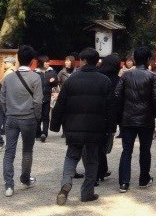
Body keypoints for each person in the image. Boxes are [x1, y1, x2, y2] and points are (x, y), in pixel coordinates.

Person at [50, 47, 114, 205]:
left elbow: (61, 104)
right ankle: (87, 192)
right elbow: (111, 108)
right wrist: (111, 128)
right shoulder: (105, 81)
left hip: (73, 126)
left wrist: (55, 125)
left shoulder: (72, 80)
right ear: (96, 61)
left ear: (83, 61)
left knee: (71, 156)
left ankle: (66, 182)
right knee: (92, 160)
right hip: (95, 128)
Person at [113, 46, 156, 193]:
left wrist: (121, 113)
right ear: (148, 60)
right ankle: (143, 179)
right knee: (145, 150)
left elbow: (117, 95)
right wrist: (153, 114)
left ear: (134, 59)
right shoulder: (153, 76)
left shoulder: (126, 76)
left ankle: (123, 183)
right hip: (146, 118)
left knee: (126, 150)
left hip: (128, 117)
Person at [0, 45, 43, 197]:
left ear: (18, 59)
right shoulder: (35, 77)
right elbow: (38, 101)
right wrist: (37, 116)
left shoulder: (9, 77)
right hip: (28, 117)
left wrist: (8, 113)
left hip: (11, 117)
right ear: (32, 61)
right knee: (27, 150)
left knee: (9, 151)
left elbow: (2, 99)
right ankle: (25, 179)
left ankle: (9, 185)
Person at [96, 54, 121, 182]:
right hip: (110, 116)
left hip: (95, 113)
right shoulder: (118, 80)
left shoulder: (97, 77)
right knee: (104, 144)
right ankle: (99, 171)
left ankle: (101, 170)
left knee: (97, 143)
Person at [34, 55, 58, 143]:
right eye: (46, 62)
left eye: (48, 62)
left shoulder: (51, 72)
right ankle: (37, 133)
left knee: (45, 116)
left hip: (47, 97)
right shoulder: (35, 72)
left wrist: (54, 80)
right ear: (41, 63)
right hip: (37, 98)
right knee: (37, 117)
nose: (47, 63)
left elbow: (56, 83)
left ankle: (44, 133)